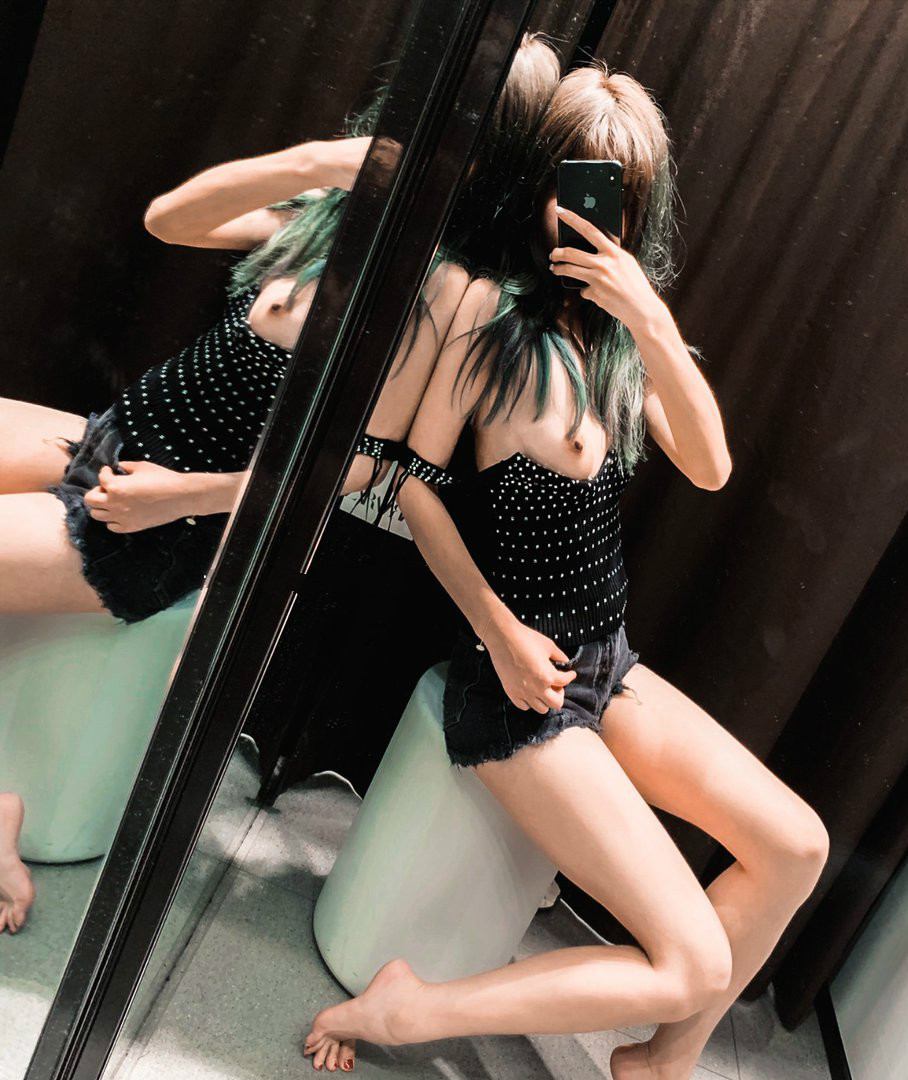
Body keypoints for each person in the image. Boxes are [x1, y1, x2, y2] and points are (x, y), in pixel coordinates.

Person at [302, 66, 830, 1080]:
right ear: (541, 184)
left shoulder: (617, 341)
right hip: (517, 684)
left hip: (606, 662)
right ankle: (412, 1010)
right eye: (576, 187)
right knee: (690, 959)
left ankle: (662, 1067)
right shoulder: (488, 318)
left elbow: (711, 465)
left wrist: (649, 315)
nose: (589, 217)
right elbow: (416, 487)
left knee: (796, 846)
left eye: (617, 200)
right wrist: (494, 630)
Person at [0, 33, 563, 934]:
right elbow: (168, 220)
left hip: (152, 522)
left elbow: (364, 466)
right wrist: (318, 165)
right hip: (114, 434)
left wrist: (177, 498)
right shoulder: (336, 209)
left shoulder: (447, 288)